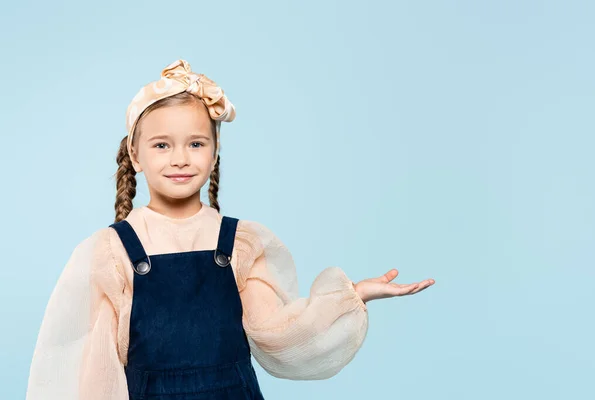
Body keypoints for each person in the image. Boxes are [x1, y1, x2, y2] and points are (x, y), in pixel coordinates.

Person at [25, 59, 435, 400]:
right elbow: (95, 372)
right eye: (162, 145)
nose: (181, 158)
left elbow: (278, 331)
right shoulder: (111, 252)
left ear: (215, 150)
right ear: (135, 153)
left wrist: (351, 296)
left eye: (196, 143)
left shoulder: (240, 244)